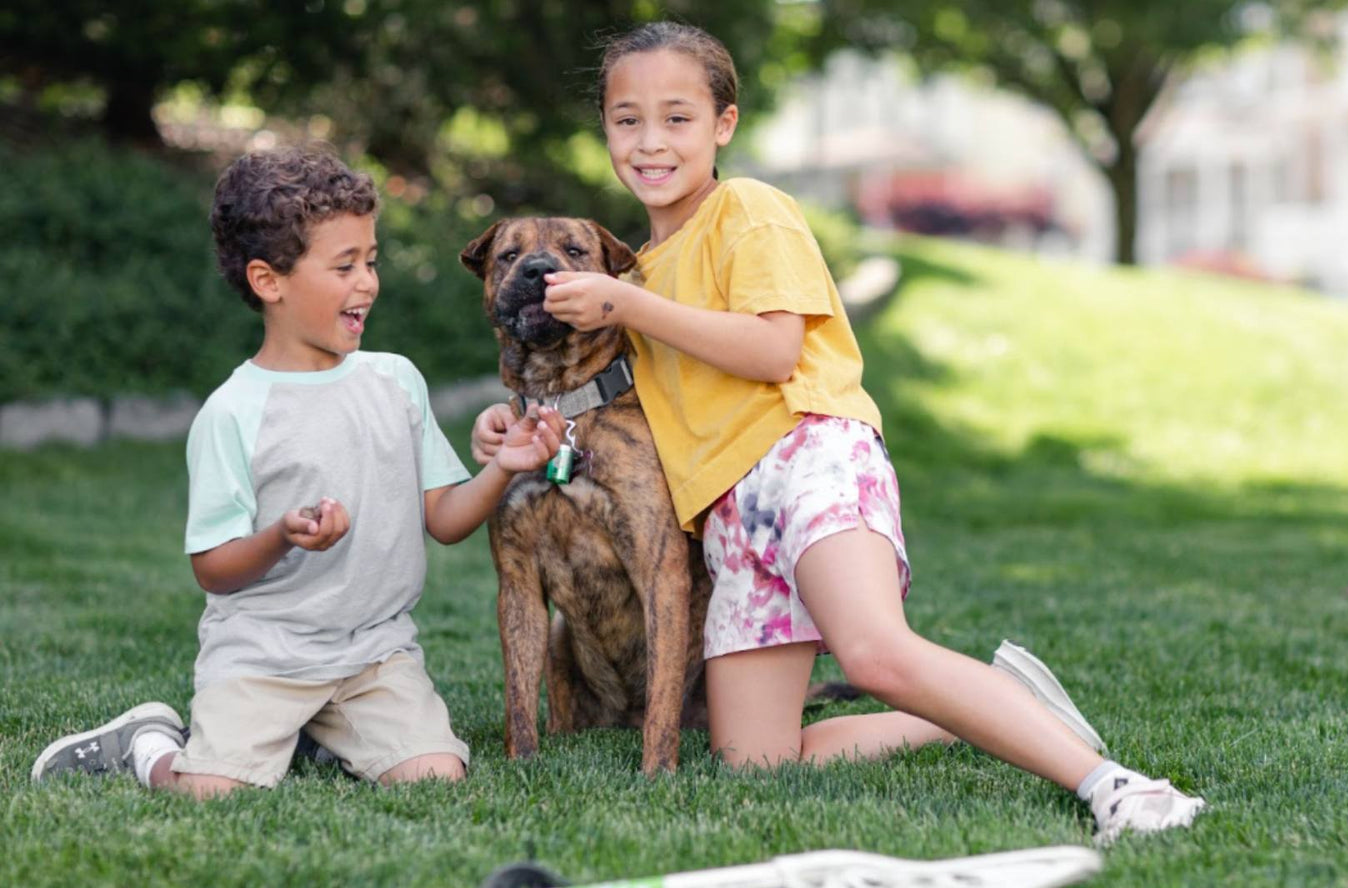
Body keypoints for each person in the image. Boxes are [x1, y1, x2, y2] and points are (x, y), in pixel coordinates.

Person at [469, 21, 1205, 843]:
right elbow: (612, 397)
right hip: (728, 516)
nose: (650, 142)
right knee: (754, 758)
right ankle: (1002, 705)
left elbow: (775, 347)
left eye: (677, 118)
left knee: (874, 654)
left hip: (809, 454)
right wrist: (515, 424)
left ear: (724, 124)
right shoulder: (636, 267)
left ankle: (1119, 789)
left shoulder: (747, 211)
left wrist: (630, 307)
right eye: (627, 120)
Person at [32, 145, 567, 799]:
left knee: (434, 777)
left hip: (374, 652)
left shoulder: (395, 381)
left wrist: (506, 468)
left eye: (371, 261)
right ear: (268, 281)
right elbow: (213, 567)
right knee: (213, 791)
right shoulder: (233, 413)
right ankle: (147, 745)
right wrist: (282, 534)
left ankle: (317, 732)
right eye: (344, 266)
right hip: (264, 654)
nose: (368, 282)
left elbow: (446, 521)